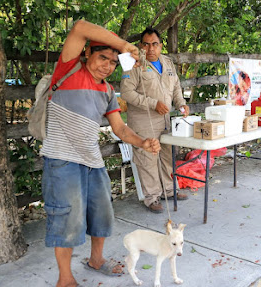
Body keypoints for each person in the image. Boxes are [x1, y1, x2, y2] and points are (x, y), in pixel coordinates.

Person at [40, 20, 161, 287]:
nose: (107, 65)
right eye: (102, 58)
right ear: (87, 55)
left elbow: (120, 128)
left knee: (101, 214)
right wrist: (124, 45)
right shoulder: (67, 70)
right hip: (62, 161)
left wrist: (143, 143)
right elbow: (80, 27)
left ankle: (96, 259)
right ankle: (65, 278)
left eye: (113, 62)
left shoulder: (107, 91)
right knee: (66, 220)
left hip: (93, 162)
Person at [120, 27, 190, 213]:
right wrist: (153, 103)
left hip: (165, 119)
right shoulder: (132, 64)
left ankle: (169, 190)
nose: (150, 49)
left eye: (155, 44)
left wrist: (181, 103)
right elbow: (126, 93)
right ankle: (152, 198)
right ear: (140, 46)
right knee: (148, 158)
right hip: (143, 121)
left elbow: (175, 86)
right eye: (146, 44)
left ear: (160, 46)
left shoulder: (167, 62)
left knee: (167, 154)